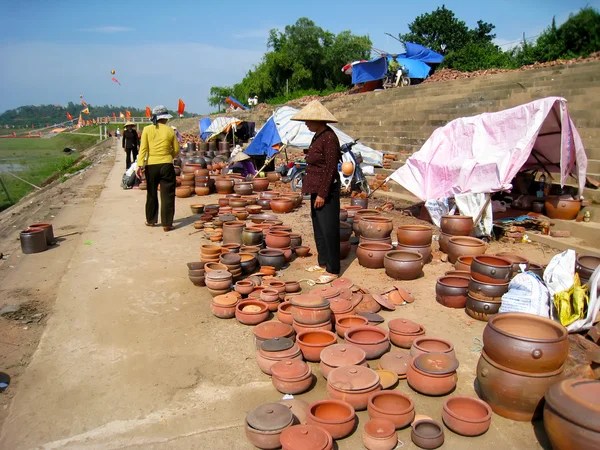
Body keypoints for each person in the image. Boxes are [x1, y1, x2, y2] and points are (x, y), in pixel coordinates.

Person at [291, 100, 341, 284]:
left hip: (325, 190)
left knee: (329, 229)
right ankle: (323, 262)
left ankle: (333, 269)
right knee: (319, 228)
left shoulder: (329, 138)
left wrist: (322, 193)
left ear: (318, 120)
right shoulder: (317, 136)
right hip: (315, 188)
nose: (306, 124)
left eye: (308, 120)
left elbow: (330, 169)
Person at [136, 105, 180, 231]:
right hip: (166, 165)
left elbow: (143, 149)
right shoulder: (170, 130)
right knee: (167, 195)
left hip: (151, 166)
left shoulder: (147, 130)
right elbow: (176, 149)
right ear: (165, 118)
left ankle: (151, 220)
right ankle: (167, 224)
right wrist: (168, 156)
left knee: (151, 193)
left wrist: (140, 165)